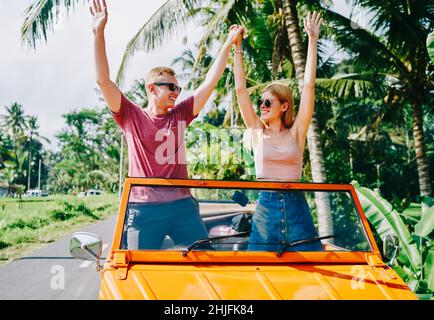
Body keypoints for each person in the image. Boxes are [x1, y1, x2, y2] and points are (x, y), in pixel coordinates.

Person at [90, 0, 243, 249]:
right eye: (171, 87)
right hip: (143, 209)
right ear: (152, 89)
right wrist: (99, 33)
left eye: (178, 88)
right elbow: (103, 80)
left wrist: (228, 44)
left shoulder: (180, 114)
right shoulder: (131, 115)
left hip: (182, 205)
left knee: (204, 262)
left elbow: (210, 83)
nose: (176, 92)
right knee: (139, 271)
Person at [231, 12, 324, 252]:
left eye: (268, 103)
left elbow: (309, 86)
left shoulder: (297, 132)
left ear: (284, 106)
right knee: (257, 267)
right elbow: (240, 90)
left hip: (297, 206)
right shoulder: (256, 131)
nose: (262, 106)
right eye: (261, 102)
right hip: (265, 207)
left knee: (311, 265)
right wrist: (237, 48)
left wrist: (312, 39)